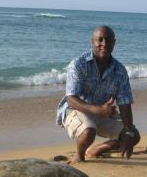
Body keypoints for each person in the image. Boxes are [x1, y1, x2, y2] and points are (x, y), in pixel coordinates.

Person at [56, 26, 140, 163]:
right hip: (75, 110)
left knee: (133, 136)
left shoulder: (120, 70)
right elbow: (71, 99)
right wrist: (98, 110)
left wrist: (129, 131)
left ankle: (96, 150)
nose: (104, 44)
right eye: (99, 40)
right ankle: (79, 155)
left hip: (103, 113)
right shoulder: (78, 64)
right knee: (89, 131)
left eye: (108, 40)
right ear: (92, 41)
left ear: (114, 42)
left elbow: (124, 102)